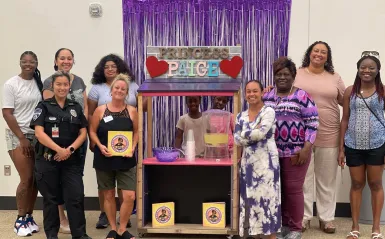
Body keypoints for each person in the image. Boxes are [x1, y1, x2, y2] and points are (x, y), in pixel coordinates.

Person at [30, 71, 90, 239]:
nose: (62, 87)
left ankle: (80, 235)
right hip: (48, 160)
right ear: (52, 86)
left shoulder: (75, 107)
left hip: (71, 160)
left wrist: (68, 150)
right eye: (59, 84)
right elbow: (39, 134)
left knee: (76, 197)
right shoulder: (43, 106)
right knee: (51, 199)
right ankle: (52, 235)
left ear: (69, 87)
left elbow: (83, 133)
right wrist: (59, 150)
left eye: (65, 85)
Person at [264, 57, 319, 239]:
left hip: (296, 152)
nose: (282, 78)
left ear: (293, 76)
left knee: (293, 190)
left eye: (286, 74)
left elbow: (313, 123)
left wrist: (306, 148)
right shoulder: (268, 97)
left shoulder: (302, 96)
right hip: (271, 153)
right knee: (277, 190)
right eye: (278, 74)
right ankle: (282, 226)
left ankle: (295, 228)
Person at [88, 54, 143, 228]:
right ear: (111, 91)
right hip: (104, 156)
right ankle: (113, 228)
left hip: (126, 157)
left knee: (129, 196)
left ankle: (122, 228)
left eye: (123, 89)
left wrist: (133, 147)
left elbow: (137, 131)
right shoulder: (100, 110)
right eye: (116, 88)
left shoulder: (132, 111)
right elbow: (92, 130)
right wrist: (98, 144)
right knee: (109, 195)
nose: (119, 91)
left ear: (127, 93)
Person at [42, 48, 88, 234]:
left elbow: (84, 109)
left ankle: (75, 220)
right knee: (57, 181)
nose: (66, 61)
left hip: (77, 139)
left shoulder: (79, 81)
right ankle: (62, 218)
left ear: (73, 61)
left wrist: (80, 136)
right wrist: (61, 149)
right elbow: (51, 111)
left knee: (74, 178)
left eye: (69, 58)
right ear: (56, 60)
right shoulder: (48, 81)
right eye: (62, 58)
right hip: (56, 140)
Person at [339, 52, 385, 239]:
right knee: (357, 183)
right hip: (353, 144)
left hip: (377, 144)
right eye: (363, 67)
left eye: (371, 68)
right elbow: (344, 120)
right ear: (358, 69)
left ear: (377, 70)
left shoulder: (382, 91)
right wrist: (341, 148)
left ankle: (376, 228)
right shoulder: (350, 91)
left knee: (375, 184)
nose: (366, 70)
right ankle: (355, 227)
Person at [2, 51, 42, 237]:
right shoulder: (11, 84)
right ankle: (19, 219)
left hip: (37, 136)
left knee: (35, 180)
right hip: (18, 136)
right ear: (20, 63)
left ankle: (28, 216)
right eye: (25, 62)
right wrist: (22, 137)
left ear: (36, 63)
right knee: (26, 178)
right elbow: (7, 113)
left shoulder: (39, 82)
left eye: (32, 62)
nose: (28, 64)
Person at [235, 80, 280, 239]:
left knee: (268, 200)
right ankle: (255, 235)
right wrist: (248, 134)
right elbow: (236, 139)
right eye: (248, 91)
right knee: (252, 201)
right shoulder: (241, 116)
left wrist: (243, 134)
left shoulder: (269, 112)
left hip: (267, 162)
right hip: (248, 163)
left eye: (255, 91)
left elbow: (261, 134)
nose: (251, 94)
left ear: (262, 93)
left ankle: (270, 236)